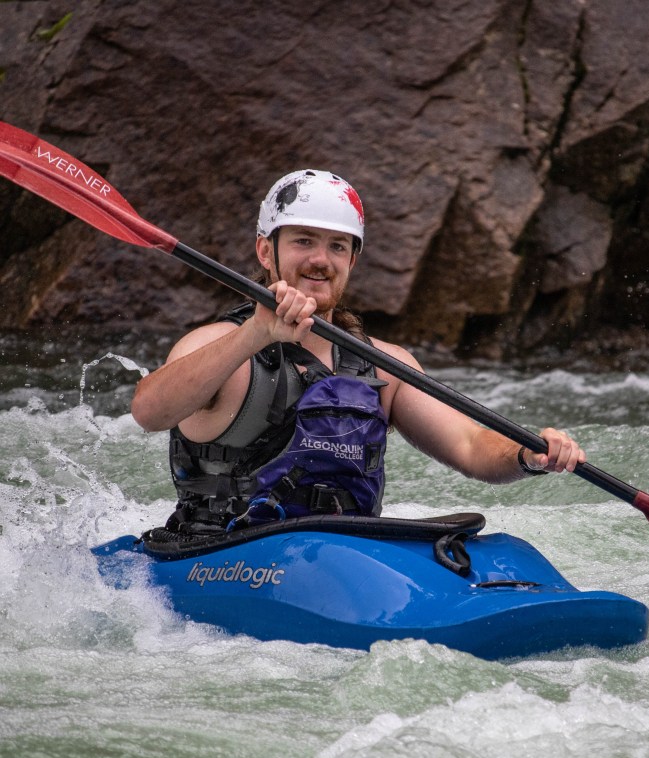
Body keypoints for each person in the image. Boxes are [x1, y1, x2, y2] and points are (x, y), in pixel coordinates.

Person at [131, 169, 586, 534]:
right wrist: (255, 334)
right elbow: (149, 411)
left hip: (347, 556)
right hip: (224, 555)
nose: (320, 260)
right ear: (265, 251)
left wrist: (529, 455)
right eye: (303, 240)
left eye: (337, 246)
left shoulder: (385, 366)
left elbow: (470, 446)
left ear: (352, 260)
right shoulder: (219, 347)